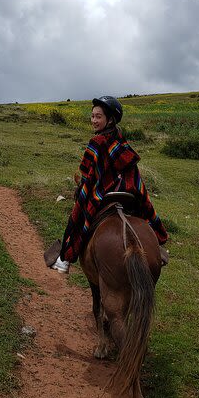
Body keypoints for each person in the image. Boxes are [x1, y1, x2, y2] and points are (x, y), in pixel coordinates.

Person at [51, 96, 168, 273]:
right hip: (128, 191)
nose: (94, 121)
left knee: (77, 216)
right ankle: (157, 245)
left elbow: (88, 175)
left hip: (103, 193)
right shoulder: (121, 140)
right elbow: (132, 172)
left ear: (110, 119)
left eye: (99, 116)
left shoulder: (96, 142)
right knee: (142, 209)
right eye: (92, 116)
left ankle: (65, 259)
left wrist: (83, 191)